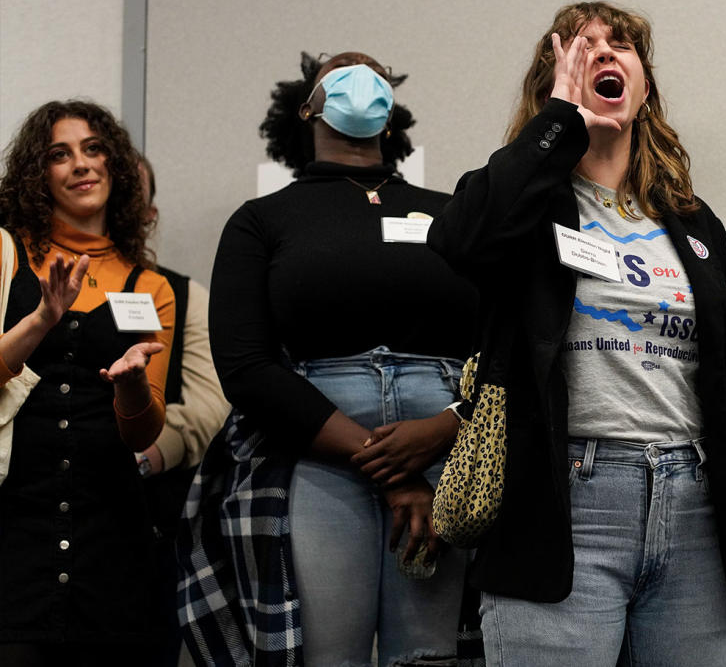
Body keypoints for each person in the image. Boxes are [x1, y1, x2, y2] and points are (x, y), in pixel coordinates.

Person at [427, 1, 726, 666]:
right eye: (583, 46)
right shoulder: (523, 206)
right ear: (553, 79)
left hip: (692, 504)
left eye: (623, 46)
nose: (606, 53)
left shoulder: (694, 225)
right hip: (567, 501)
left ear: (645, 86)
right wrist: (559, 120)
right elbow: (458, 239)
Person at [184, 51, 478, 667]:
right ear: (306, 107)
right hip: (319, 454)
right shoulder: (261, 220)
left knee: (429, 657)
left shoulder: (454, 212)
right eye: (339, 73)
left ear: (392, 116)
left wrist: (443, 430)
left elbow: (501, 348)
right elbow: (245, 366)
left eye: (373, 73)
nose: (358, 78)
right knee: (327, 654)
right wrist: (394, 471)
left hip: (447, 457)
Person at [0, 100, 173, 666]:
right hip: (13, 524)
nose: (81, 164)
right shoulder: (5, 254)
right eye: (59, 154)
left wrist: (129, 387)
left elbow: (144, 431)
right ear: (38, 174)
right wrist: (41, 320)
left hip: (113, 534)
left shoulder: (150, 286)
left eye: (94, 149)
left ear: (116, 166)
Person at [134, 156, 230, 667]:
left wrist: (143, 458)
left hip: (149, 526)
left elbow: (209, 406)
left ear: (148, 214)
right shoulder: (24, 284)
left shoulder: (181, 294)